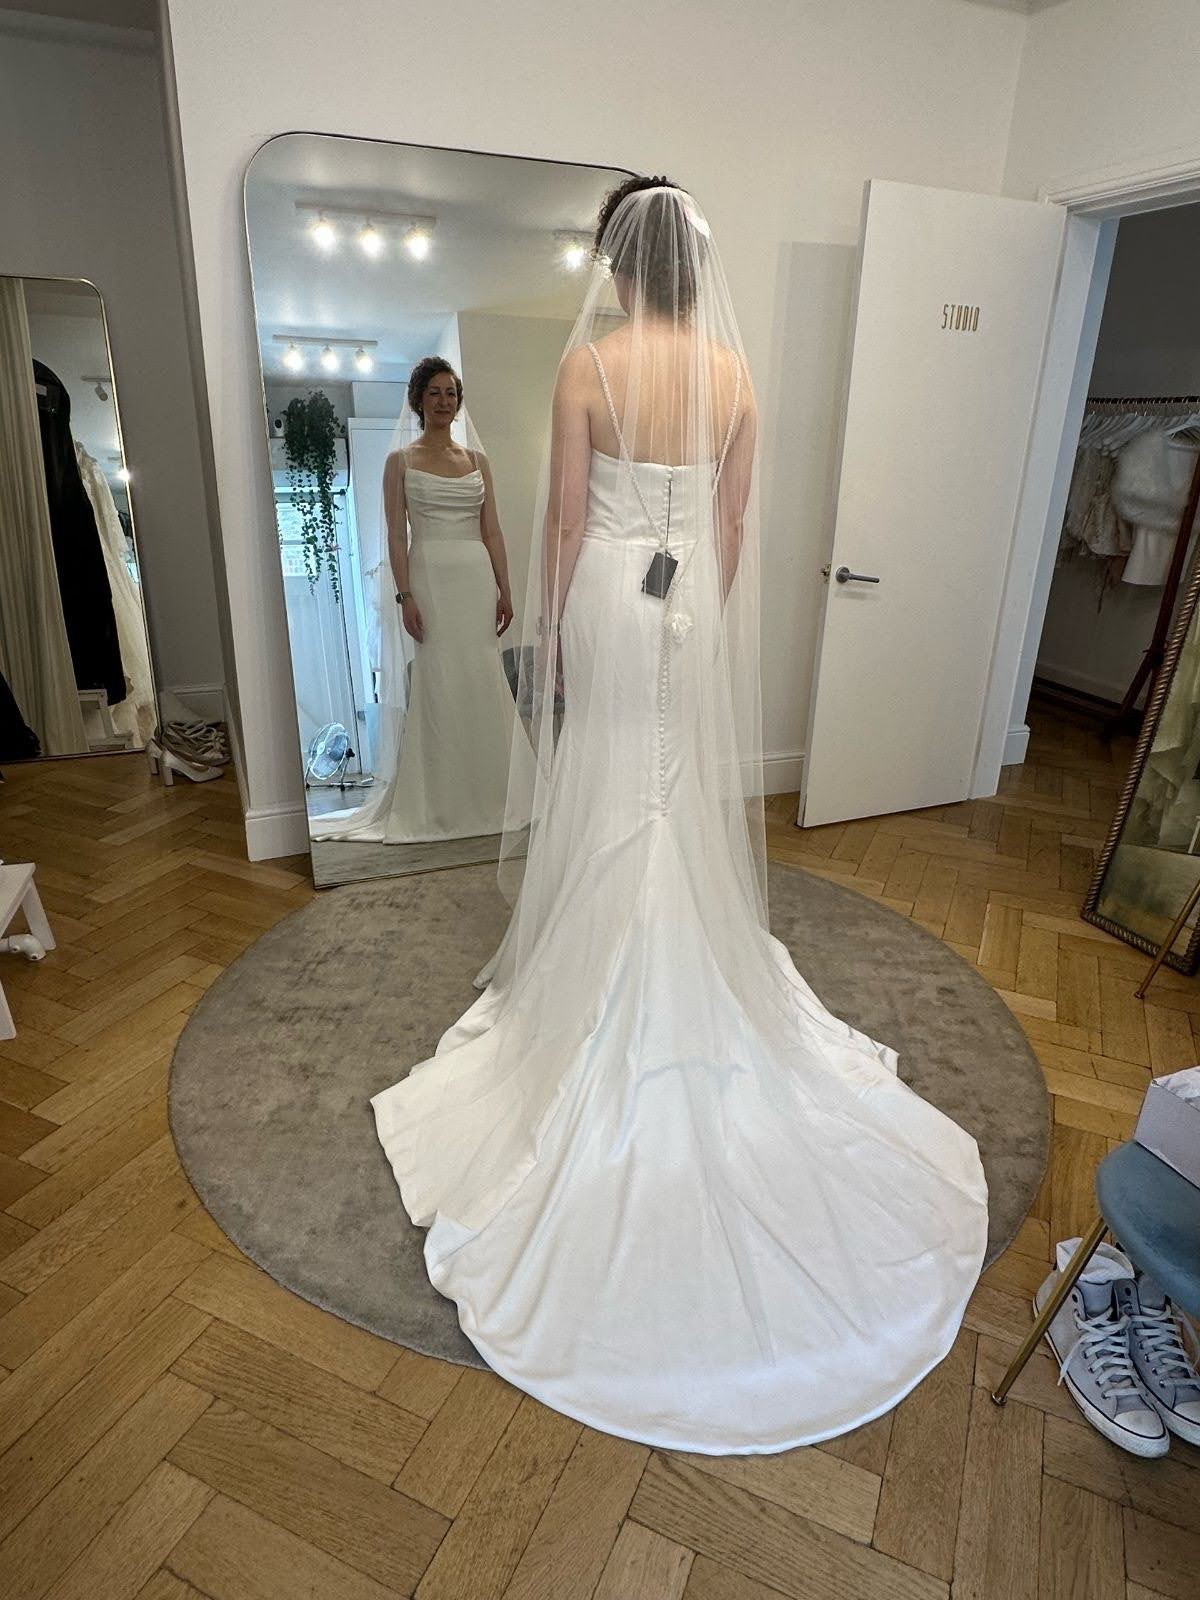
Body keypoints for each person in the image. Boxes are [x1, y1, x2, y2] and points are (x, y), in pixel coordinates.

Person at [370, 178, 989, 1453]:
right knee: (667, 789)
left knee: (609, 777)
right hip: (689, 599)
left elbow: (561, 518)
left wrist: (553, 633)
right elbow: (732, 518)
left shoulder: (590, 365)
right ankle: (676, 965)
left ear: (618, 265)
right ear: (695, 269)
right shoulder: (734, 376)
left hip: (609, 589)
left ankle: (600, 977)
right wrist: (698, 615)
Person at [313, 358, 527, 844]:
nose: (444, 401)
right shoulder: (401, 462)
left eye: (450, 393)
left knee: (480, 676)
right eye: (434, 392)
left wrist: (505, 588)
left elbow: (492, 530)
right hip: (430, 578)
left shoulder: (478, 462)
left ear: (458, 401)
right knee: (438, 680)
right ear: (418, 400)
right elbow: (395, 534)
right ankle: (439, 800)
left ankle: (490, 792)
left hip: (475, 580)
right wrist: (405, 594)